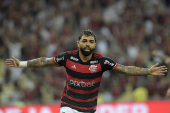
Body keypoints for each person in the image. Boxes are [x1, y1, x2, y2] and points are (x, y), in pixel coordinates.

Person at [5, 29, 167, 113]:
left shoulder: (102, 61)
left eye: (91, 41)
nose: (87, 44)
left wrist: (147, 71)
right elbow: (44, 62)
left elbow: (126, 69)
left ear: (94, 44)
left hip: (89, 109)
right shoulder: (68, 57)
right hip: (68, 105)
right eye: (84, 41)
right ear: (78, 43)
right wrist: (22, 64)